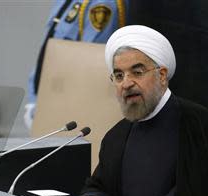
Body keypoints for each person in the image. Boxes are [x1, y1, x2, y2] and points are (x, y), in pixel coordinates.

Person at [75, 25, 208, 196]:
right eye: (118, 75)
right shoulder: (116, 136)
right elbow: (100, 186)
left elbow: (200, 194)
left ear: (162, 76)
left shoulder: (197, 123)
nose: (126, 83)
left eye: (137, 72)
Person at [24, 0, 130, 129]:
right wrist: (34, 100)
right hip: (43, 100)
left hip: (70, 107)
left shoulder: (103, 3)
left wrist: (46, 109)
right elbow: (50, 47)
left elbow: (89, 66)